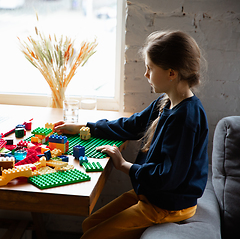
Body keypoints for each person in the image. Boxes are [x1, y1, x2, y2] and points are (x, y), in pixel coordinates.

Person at [54, 30, 208, 239]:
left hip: (168, 204)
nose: (146, 74)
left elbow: (168, 177)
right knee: (90, 224)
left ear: (171, 73)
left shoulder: (185, 118)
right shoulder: (167, 101)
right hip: (152, 195)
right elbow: (131, 125)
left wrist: (123, 164)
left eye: (150, 68)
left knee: (90, 236)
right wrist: (85, 127)